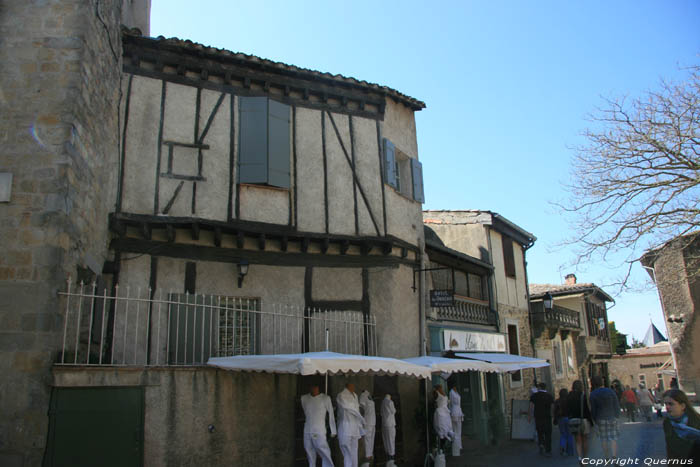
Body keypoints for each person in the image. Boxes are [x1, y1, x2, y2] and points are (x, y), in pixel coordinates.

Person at [301, 383, 337, 467]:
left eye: (315, 387)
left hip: (319, 430)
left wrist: (333, 430)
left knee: (324, 451)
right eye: (312, 387)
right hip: (307, 430)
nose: (313, 388)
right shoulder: (304, 398)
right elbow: (306, 412)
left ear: (318, 387)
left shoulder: (325, 398)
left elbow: (331, 414)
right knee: (309, 452)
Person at [662, 389, 700, 463]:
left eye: (671, 404)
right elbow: (670, 449)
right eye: (665, 404)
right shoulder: (667, 422)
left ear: (682, 406)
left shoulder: (696, 421)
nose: (667, 407)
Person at [589, 376, 621, 461]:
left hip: (600, 418)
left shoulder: (593, 394)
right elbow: (616, 404)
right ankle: (614, 456)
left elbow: (593, 408)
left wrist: (594, 419)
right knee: (613, 438)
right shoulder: (610, 391)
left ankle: (607, 457)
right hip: (612, 417)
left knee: (603, 439)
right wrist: (617, 415)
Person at [337, 383, 365, 467]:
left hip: (355, 428)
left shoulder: (355, 395)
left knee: (354, 453)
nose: (353, 387)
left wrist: (361, 429)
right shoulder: (341, 395)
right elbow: (350, 408)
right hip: (346, 427)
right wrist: (362, 419)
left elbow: (357, 411)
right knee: (347, 454)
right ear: (347, 386)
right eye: (351, 386)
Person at [568, 380, 593, 466]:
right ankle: (584, 458)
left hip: (573, 420)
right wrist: (591, 421)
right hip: (583, 420)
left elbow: (567, 409)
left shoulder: (569, 396)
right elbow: (586, 410)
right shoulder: (582, 395)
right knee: (585, 440)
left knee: (578, 441)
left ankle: (579, 457)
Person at [528, 382, 554, 456]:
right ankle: (548, 450)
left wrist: (529, 416)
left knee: (540, 432)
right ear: (545, 388)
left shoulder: (534, 396)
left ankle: (541, 443)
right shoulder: (549, 396)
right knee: (548, 433)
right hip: (547, 417)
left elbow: (531, 406)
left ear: (539, 387)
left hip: (538, 417)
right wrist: (552, 415)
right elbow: (552, 407)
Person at [554, 388, 574, 456]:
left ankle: (563, 448)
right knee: (569, 435)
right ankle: (570, 451)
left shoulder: (557, 401)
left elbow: (555, 411)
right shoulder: (569, 400)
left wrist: (555, 419)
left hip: (560, 419)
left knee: (563, 434)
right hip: (568, 418)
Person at [433, 385, 454, 449]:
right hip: (440, 412)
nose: (441, 388)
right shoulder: (436, 393)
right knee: (442, 427)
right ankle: (441, 447)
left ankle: (443, 447)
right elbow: (436, 402)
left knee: (447, 427)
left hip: (446, 412)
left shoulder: (443, 393)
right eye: (440, 387)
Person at [358, 390, 376, 465]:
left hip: (373, 421)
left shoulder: (369, 395)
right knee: (367, 439)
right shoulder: (363, 396)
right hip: (368, 421)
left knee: (371, 438)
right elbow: (361, 406)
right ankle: (367, 457)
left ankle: (369, 455)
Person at [380, 394, 397, 465]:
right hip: (390, 424)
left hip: (384, 424)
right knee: (391, 440)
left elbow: (381, 413)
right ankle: (392, 458)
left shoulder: (382, 402)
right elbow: (394, 411)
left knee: (386, 440)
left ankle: (388, 458)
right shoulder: (390, 402)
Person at [448, 383, 464, 454]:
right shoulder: (451, 392)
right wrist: (451, 411)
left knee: (459, 429)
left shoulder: (456, 392)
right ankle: (455, 445)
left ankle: (459, 445)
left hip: (458, 410)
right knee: (455, 429)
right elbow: (451, 402)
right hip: (454, 410)